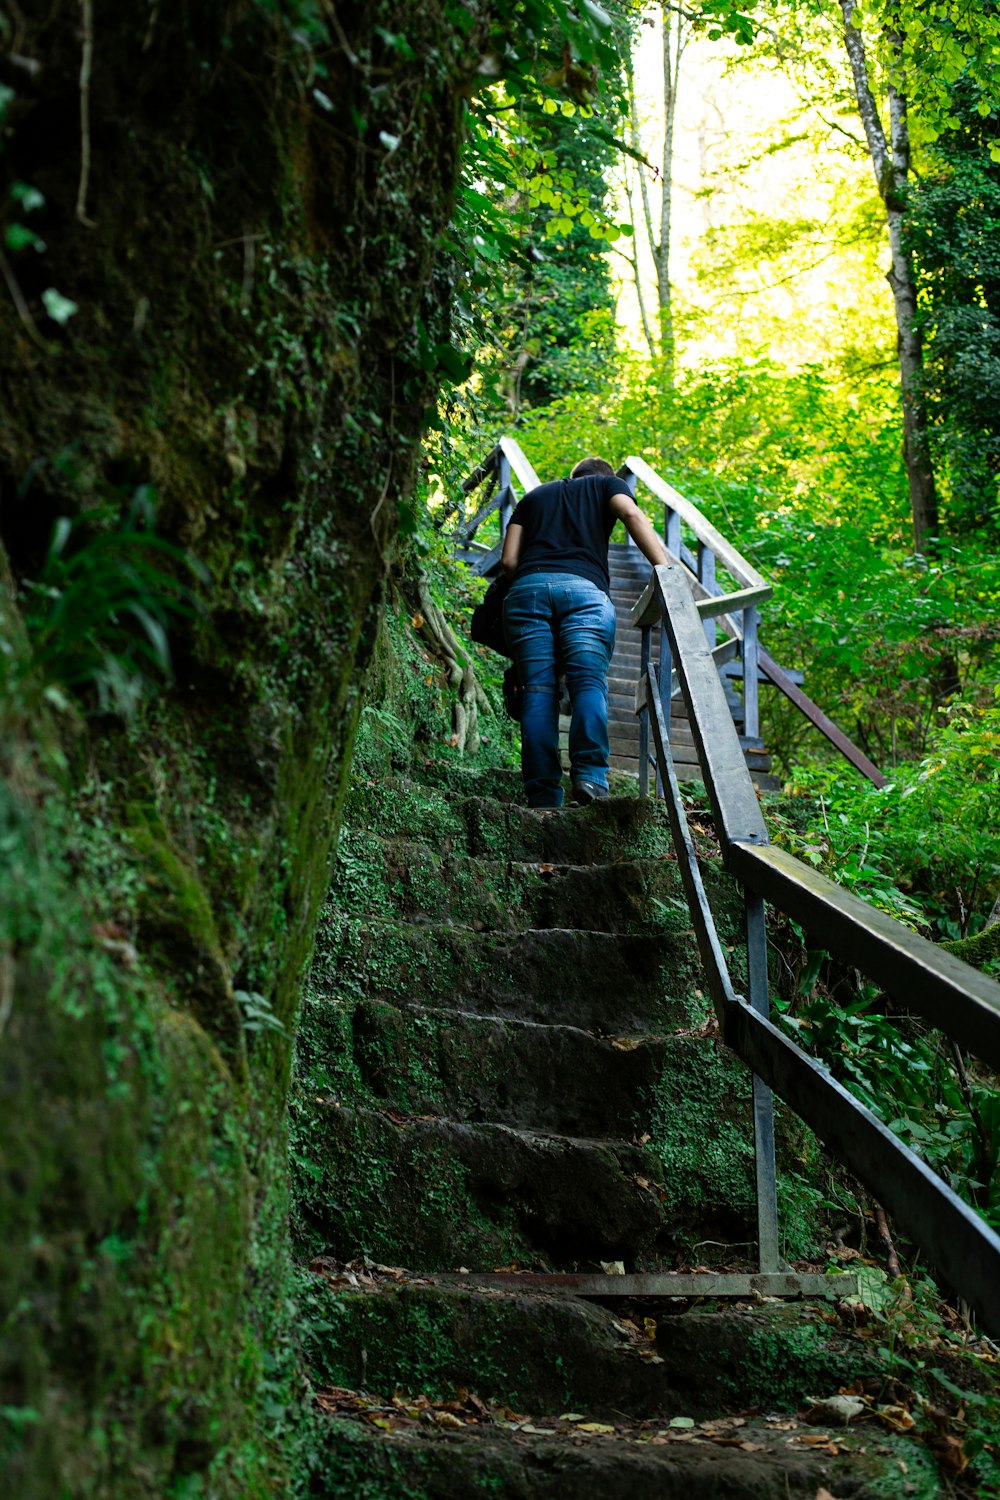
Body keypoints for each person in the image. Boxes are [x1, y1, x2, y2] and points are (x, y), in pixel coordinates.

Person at [501, 457, 669, 809]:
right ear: (604, 478)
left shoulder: (534, 496)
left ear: (572, 476)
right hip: (584, 594)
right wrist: (666, 573)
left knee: (538, 691)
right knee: (588, 684)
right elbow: (632, 515)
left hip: (527, 592)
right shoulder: (608, 486)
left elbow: (509, 561)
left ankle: (543, 793)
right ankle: (590, 778)